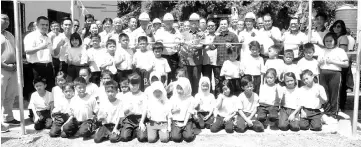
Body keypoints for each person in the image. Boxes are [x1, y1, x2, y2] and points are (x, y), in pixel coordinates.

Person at [318, 32, 349, 124]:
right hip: (323, 73)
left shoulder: (340, 51)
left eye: (330, 41)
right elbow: (318, 63)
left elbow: (346, 64)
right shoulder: (322, 50)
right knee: (324, 94)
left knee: (334, 94)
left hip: (335, 73)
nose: (328, 43)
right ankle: (325, 113)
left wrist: (333, 61)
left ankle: (333, 114)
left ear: (335, 41)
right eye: (326, 41)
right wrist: (320, 62)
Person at [209, 18, 239, 97]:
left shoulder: (233, 35)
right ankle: (218, 97)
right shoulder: (217, 37)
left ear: (228, 25)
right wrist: (209, 44)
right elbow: (213, 47)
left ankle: (230, 98)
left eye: (225, 24)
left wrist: (232, 46)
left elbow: (238, 47)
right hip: (219, 64)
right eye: (221, 24)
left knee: (229, 83)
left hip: (229, 63)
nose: (223, 26)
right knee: (218, 82)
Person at [24, 16, 55, 91]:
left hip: (48, 67)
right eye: (42, 24)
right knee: (37, 91)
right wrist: (40, 47)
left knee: (49, 89)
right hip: (36, 68)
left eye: (46, 25)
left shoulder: (48, 37)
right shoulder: (31, 36)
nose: (45, 27)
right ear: (37, 25)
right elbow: (27, 51)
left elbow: (52, 53)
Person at [329, 20, 352, 113]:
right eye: (335, 26)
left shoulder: (343, 38)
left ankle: (341, 106)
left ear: (342, 28)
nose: (336, 28)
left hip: (340, 65)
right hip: (333, 64)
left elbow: (342, 52)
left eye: (339, 26)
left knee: (341, 87)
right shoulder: (334, 36)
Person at [1, 14, 20, 126]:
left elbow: (15, 50)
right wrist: (4, 65)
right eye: (4, 19)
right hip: (2, 69)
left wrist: (16, 64)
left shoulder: (10, 34)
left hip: (13, 69)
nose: (7, 21)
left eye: (8, 19)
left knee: (10, 95)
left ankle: (8, 117)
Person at [154, 13, 182, 85]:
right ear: (163, 22)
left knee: (173, 75)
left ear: (173, 22)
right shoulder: (159, 31)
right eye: (166, 21)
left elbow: (178, 40)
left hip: (173, 57)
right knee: (163, 75)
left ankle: (170, 92)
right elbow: (159, 42)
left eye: (170, 21)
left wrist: (177, 44)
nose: (168, 23)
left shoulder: (176, 31)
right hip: (163, 56)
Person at [180, 13, 204, 96]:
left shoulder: (202, 33)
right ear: (189, 22)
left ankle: (195, 98)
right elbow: (181, 45)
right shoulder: (183, 33)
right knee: (187, 81)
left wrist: (194, 46)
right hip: (186, 62)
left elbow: (202, 45)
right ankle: (187, 97)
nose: (194, 22)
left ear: (198, 22)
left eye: (196, 21)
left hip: (197, 62)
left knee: (196, 81)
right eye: (192, 21)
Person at [120, 73, 147, 142]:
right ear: (128, 84)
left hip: (140, 118)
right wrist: (128, 110)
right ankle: (133, 131)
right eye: (132, 84)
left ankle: (137, 130)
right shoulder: (126, 96)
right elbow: (124, 112)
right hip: (129, 119)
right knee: (124, 138)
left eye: (136, 85)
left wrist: (141, 122)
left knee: (142, 138)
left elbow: (144, 110)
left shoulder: (143, 95)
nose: (133, 87)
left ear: (139, 85)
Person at [169, 77, 195, 142]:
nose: (179, 91)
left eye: (181, 89)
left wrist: (184, 123)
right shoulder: (173, 98)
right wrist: (174, 111)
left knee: (189, 137)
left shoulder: (190, 99)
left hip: (187, 120)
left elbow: (189, 112)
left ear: (186, 88)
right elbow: (169, 111)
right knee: (176, 138)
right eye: (178, 88)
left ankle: (188, 128)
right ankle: (179, 130)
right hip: (176, 121)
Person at [201, 20, 218, 91]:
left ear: (215, 27)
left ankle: (217, 93)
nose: (210, 27)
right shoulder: (203, 35)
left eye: (212, 26)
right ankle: (208, 93)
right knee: (207, 79)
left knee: (217, 79)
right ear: (206, 27)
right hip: (206, 60)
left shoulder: (218, 35)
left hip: (216, 61)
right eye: (209, 26)